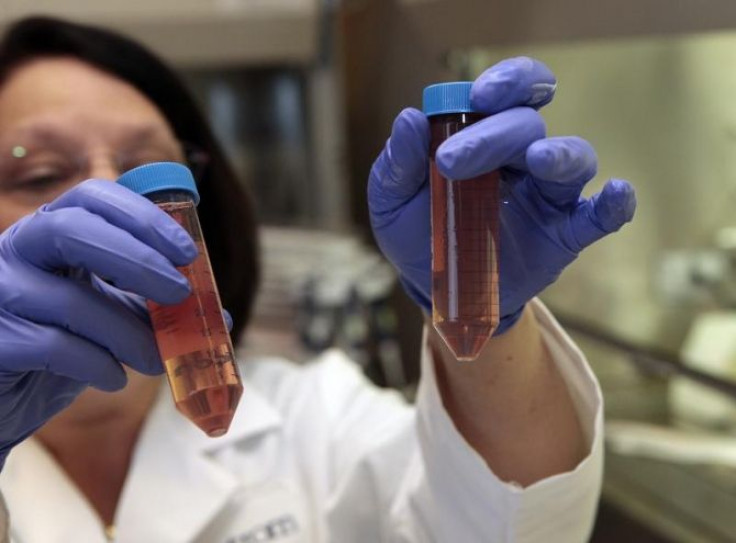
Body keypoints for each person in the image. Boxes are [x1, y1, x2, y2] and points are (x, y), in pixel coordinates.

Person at [0, 16, 635, 543]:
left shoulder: (316, 418)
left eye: (147, 171)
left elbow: (511, 524)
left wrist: (490, 316)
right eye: (39, 173)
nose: (114, 199)